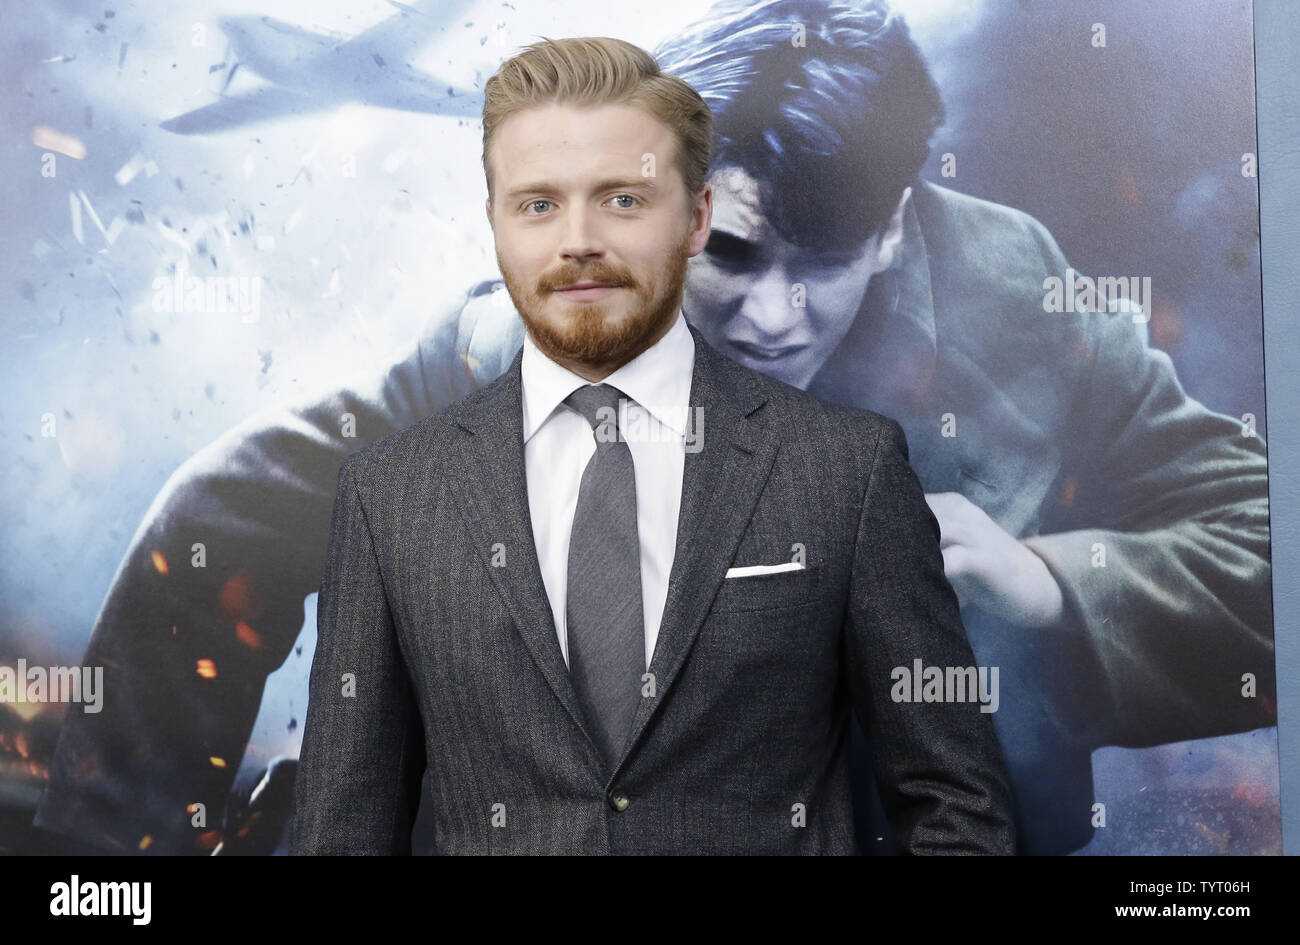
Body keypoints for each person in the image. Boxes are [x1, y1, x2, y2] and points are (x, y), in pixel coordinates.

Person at [35, 0, 1272, 856]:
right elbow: (222, 523)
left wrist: (1049, 586)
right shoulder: (524, 333)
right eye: (731, 253)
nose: (776, 316)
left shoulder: (1018, 302)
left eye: (829, 259)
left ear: (898, 222)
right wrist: (120, 863)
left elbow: (1267, 549)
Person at [288, 34, 1016, 855]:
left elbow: (958, 809)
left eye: (622, 201)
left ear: (694, 218)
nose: (578, 242)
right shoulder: (390, 496)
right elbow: (341, 832)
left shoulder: (847, 469)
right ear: (492, 223)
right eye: (536, 204)